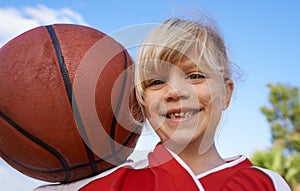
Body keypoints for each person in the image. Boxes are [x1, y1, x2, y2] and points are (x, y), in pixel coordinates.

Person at [35, 17, 291, 191]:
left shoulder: (267, 183)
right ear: (142, 100)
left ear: (225, 93)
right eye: (156, 81)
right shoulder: (111, 184)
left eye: (195, 76)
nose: (175, 91)